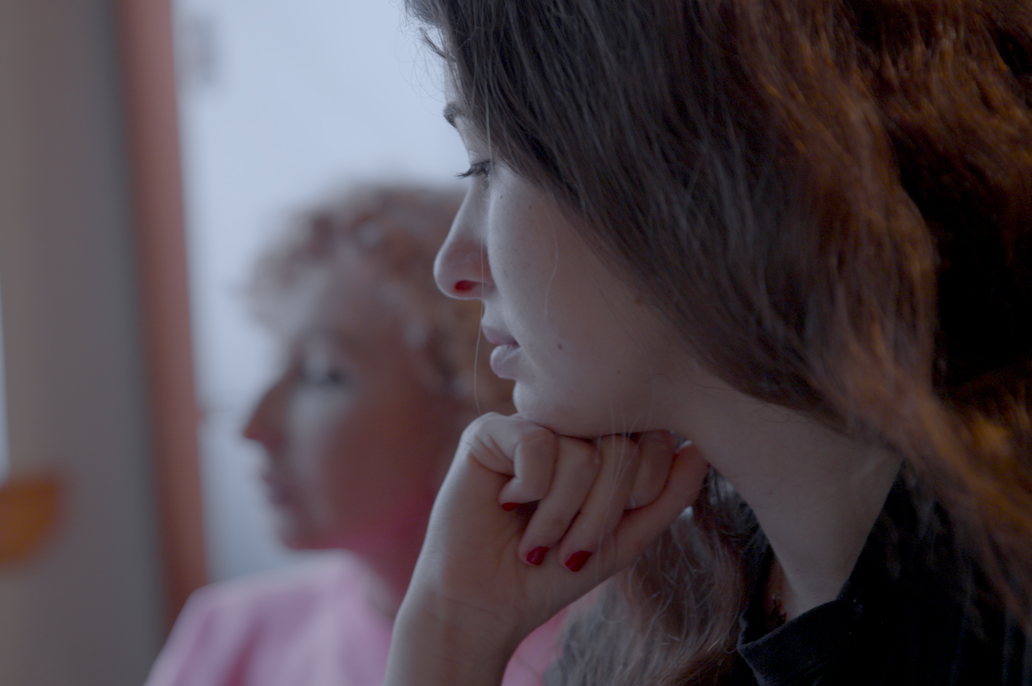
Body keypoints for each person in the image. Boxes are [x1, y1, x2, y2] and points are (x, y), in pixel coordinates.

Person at [384, 1, 1032, 685]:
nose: (453, 268)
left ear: (685, 163)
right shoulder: (661, 612)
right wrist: (451, 633)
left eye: (485, 168)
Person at [144, 185, 568, 686]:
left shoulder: (616, 651)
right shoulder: (228, 635)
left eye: (323, 374)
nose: (252, 426)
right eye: (278, 364)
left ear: (475, 401)